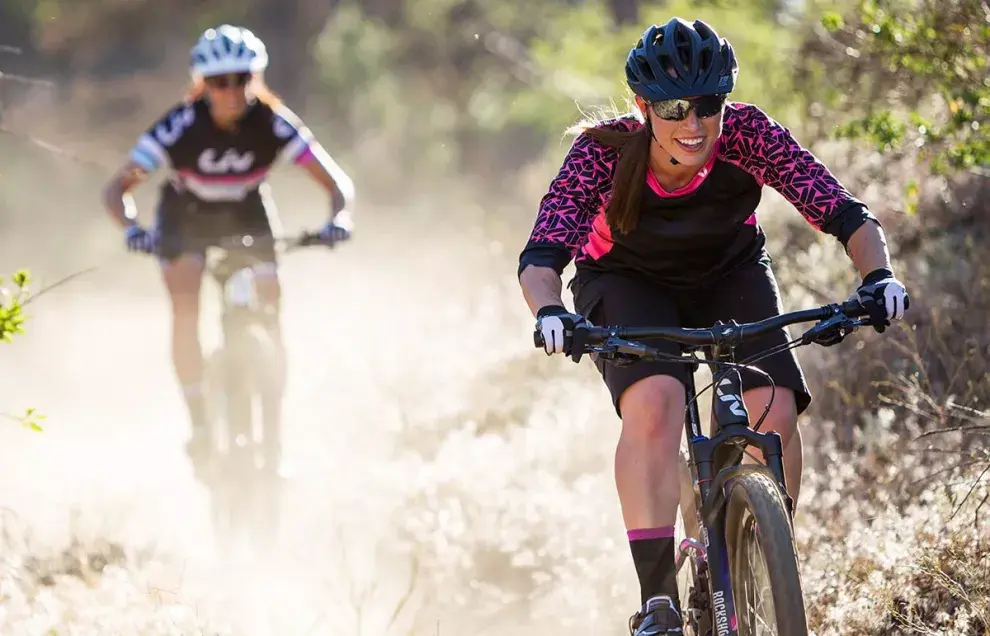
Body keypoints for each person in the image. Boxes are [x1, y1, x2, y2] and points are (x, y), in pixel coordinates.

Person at [517, 17, 909, 635]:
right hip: (624, 280)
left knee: (774, 406)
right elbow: (542, 256)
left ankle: (764, 557)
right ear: (644, 106)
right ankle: (658, 600)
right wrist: (549, 313)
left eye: (708, 104)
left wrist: (879, 276)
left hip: (728, 270)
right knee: (658, 399)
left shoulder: (748, 133)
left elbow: (840, 210)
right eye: (674, 108)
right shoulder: (603, 152)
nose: (694, 124)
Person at [101, 24, 355, 470]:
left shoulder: (273, 122)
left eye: (242, 78)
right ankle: (200, 421)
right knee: (185, 301)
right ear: (203, 84)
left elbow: (336, 183)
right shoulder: (179, 125)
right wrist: (132, 228)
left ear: (256, 78)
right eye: (220, 82)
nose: (232, 91)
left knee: (271, 301)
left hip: (246, 212)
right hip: (186, 217)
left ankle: (274, 434)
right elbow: (116, 189)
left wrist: (338, 217)